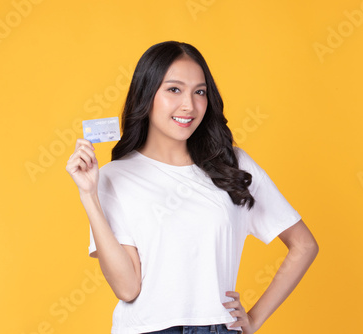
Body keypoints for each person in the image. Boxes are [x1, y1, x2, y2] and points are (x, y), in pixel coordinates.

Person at [66, 41, 319, 334]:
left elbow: (304, 245)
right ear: (146, 95)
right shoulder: (113, 177)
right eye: (174, 89)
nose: (189, 105)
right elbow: (127, 288)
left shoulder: (232, 165)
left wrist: (254, 318)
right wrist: (89, 194)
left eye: (199, 92)